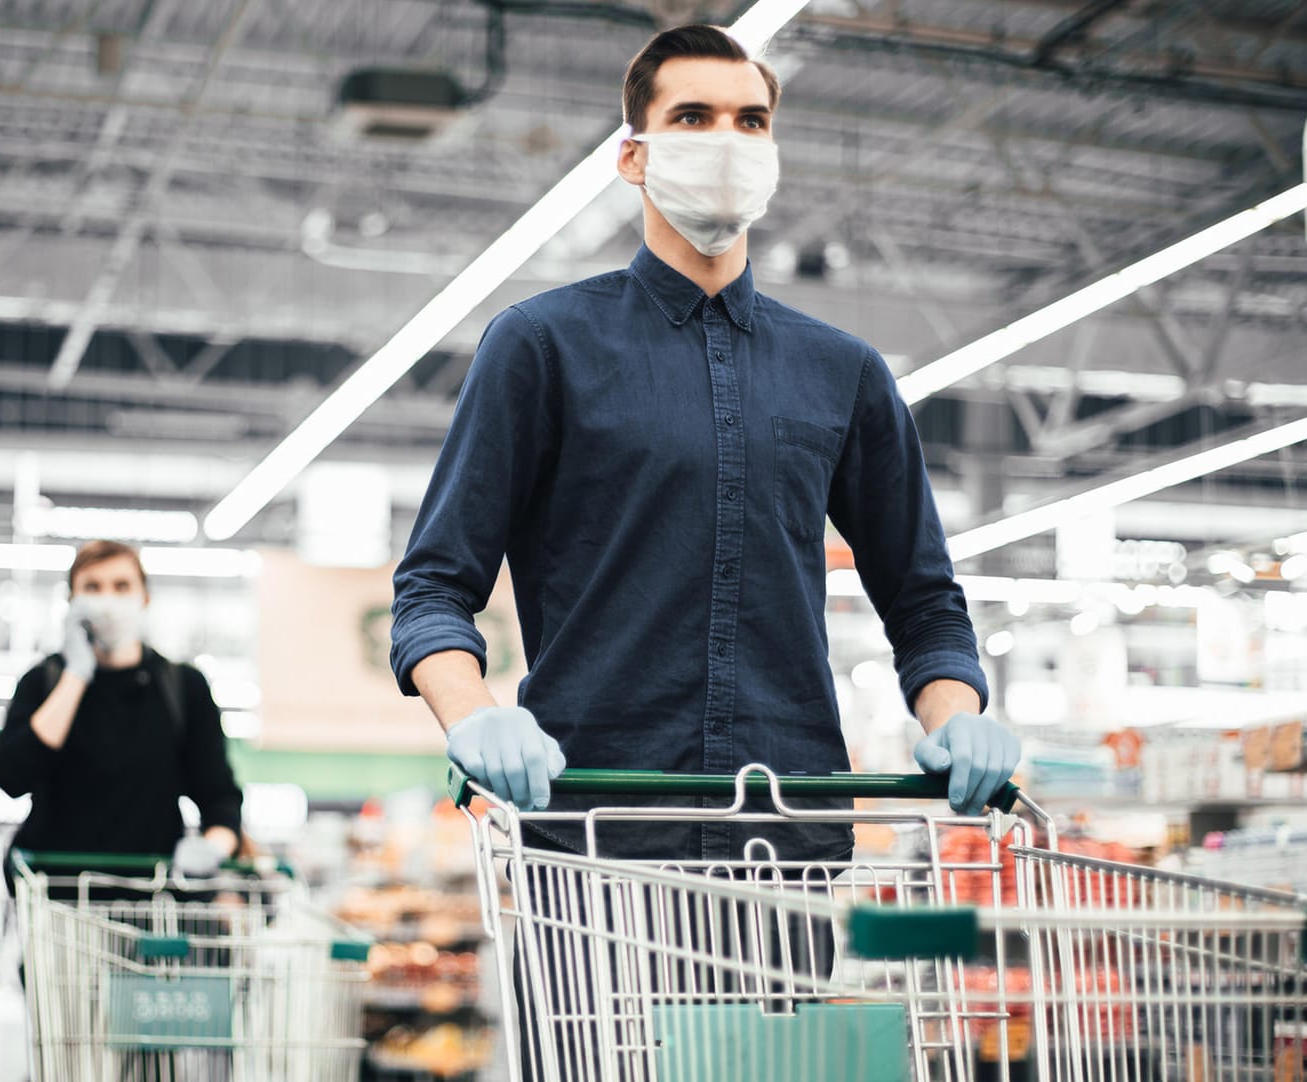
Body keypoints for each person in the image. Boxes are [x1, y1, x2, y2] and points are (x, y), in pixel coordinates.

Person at [391, 24, 1020, 868]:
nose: (726, 141)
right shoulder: (543, 346)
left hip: (786, 832)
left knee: (778, 1012)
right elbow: (432, 588)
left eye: (749, 121)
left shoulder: (844, 373)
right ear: (633, 157)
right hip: (595, 833)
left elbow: (923, 601)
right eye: (691, 118)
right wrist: (474, 714)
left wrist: (956, 717)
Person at [0, 539, 246, 875]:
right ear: (71, 602)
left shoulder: (182, 687)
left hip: (149, 895)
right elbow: (11, 775)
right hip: (58, 897)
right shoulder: (43, 681)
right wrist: (76, 674)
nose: (107, 600)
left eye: (122, 586)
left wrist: (214, 846)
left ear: (145, 598)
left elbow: (220, 797)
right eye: (92, 588)